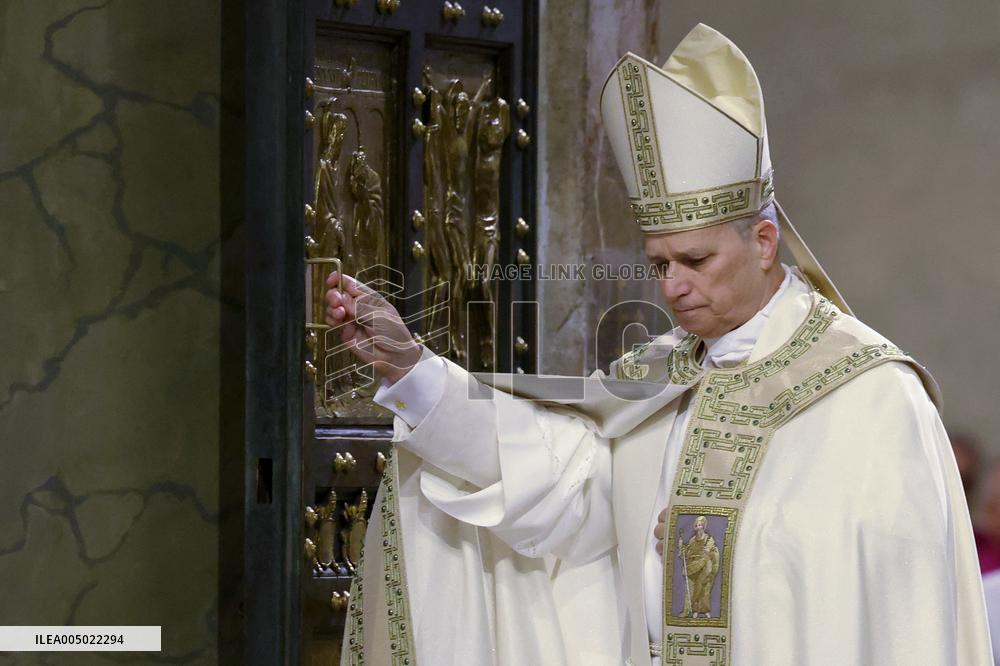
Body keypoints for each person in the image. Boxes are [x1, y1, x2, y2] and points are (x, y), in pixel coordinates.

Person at [326, 23, 991, 666]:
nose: (674, 287)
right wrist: (415, 369)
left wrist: (711, 543)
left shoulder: (871, 392)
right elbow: (558, 491)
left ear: (764, 244)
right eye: (660, 263)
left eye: (696, 260)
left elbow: (886, 594)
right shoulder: (659, 375)